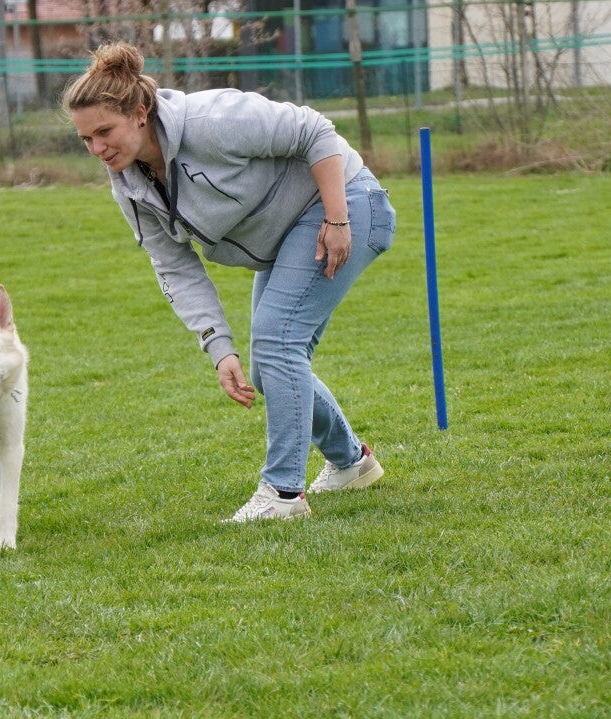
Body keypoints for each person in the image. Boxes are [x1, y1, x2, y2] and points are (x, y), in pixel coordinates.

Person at [64, 42, 396, 523]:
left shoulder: (210, 120)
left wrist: (338, 219)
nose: (97, 149)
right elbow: (175, 267)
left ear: (139, 114)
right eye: (85, 140)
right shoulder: (130, 186)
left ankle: (283, 495)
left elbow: (315, 131)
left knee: (278, 342)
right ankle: (352, 463)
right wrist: (219, 348)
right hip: (288, 234)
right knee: (267, 367)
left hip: (347, 203)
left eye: (104, 132)